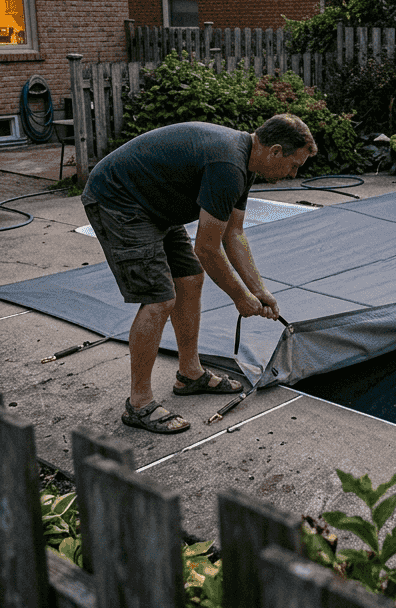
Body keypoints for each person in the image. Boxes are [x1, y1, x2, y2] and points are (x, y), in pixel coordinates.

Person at [80, 115, 317, 434]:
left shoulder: (245, 162)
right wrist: (241, 298)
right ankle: (139, 404)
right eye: (294, 165)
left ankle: (189, 374)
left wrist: (259, 290)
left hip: (154, 205)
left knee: (190, 279)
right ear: (275, 151)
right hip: (118, 200)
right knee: (159, 298)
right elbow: (207, 248)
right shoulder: (228, 165)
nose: (293, 173)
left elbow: (233, 234)